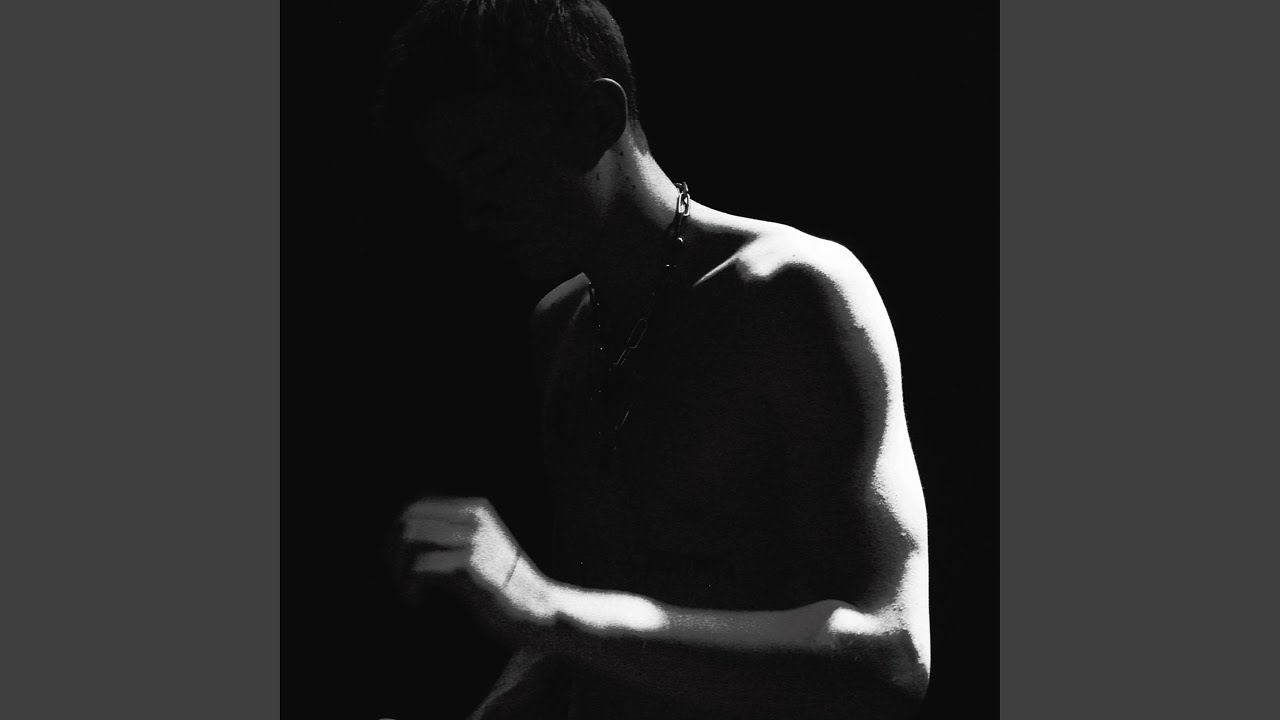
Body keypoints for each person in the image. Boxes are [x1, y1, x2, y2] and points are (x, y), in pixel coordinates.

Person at [379, 1, 930, 718]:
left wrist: (543, 606)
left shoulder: (792, 294)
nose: (474, 217)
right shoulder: (562, 327)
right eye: (459, 188)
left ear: (596, 118)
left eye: (496, 171)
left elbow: (893, 657)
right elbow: (592, 626)